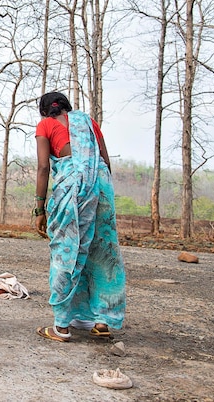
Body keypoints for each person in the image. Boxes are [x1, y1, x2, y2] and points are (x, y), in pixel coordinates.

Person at [34, 91, 126, 342]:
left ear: (44, 110)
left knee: (67, 250)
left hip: (74, 188)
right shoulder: (87, 121)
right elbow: (104, 160)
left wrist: (39, 208)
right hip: (101, 185)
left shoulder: (45, 125)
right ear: (67, 107)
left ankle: (61, 326)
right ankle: (101, 321)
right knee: (102, 251)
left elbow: (44, 167)